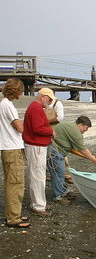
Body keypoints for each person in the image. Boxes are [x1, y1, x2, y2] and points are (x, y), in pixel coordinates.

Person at [47, 116, 96, 204]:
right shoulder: (75, 132)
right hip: (55, 151)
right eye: (86, 128)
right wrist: (95, 160)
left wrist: (90, 156)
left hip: (56, 149)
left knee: (60, 173)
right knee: (58, 174)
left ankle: (62, 191)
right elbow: (83, 150)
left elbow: (80, 150)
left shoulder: (70, 125)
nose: (86, 130)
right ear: (80, 125)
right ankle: (58, 196)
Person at [0, 78, 30, 228]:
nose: (22, 92)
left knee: (12, 182)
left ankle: (13, 214)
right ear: (16, 91)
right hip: (12, 148)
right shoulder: (8, 105)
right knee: (16, 183)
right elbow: (20, 128)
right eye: (21, 90)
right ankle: (13, 218)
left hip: (8, 148)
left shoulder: (3, 104)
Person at [23, 88, 56, 217]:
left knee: (38, 175)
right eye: (49, 98)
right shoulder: (36, 108)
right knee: (38, 176)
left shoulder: (35, 107)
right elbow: (37, 128)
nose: (50, 101)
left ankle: (39, 203)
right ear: (42, 97)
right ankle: (38, 206)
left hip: (36, 145)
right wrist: (51, 132)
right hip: (35, 146)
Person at [44, 98, 74, 184]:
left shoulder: (57, 104)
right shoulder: (41, 105)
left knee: (59, 152)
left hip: (55, 131)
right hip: (45, 131)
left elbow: (59, 118)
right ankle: (50, 173)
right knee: (48, 154)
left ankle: (66, 174)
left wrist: (45, 122)